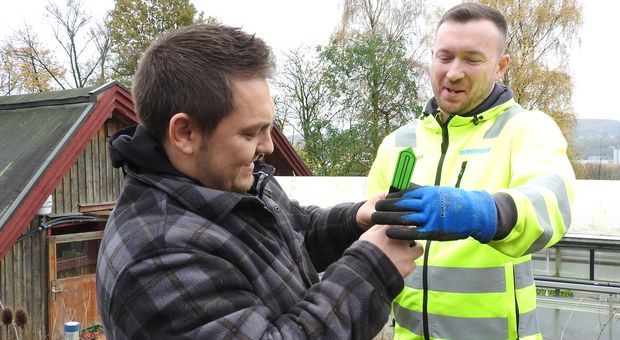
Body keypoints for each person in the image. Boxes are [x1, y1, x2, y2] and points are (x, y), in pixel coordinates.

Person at [96, 24, 424, 339]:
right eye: (250, 132)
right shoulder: (158, 258)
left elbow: (293, 233)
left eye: (269, 127)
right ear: (186, 133)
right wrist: (372, 268)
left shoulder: (225, 183)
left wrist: (356, 219)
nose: (267, 147)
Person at [368, 3, 575, 340]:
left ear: (500, 67)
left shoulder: (525, 129)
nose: (453, 72)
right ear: (431, 57)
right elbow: (372, 238)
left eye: (472, 59)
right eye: (445, 57)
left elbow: (551, 205)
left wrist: (481, 212)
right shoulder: (398, 142)